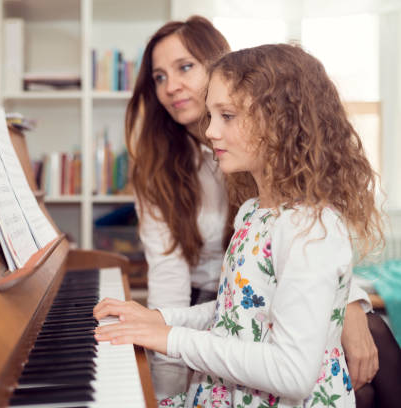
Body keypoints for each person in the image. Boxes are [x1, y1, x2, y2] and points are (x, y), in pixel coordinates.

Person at [95, 43, 386, 407]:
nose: (212, 131)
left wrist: (170, 338)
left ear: (281, 122)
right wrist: (158, 318)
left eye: (227, 116)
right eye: (211, 116)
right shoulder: (253, 212)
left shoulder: (308, 229)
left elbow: (292, 374)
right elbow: (237, 312)